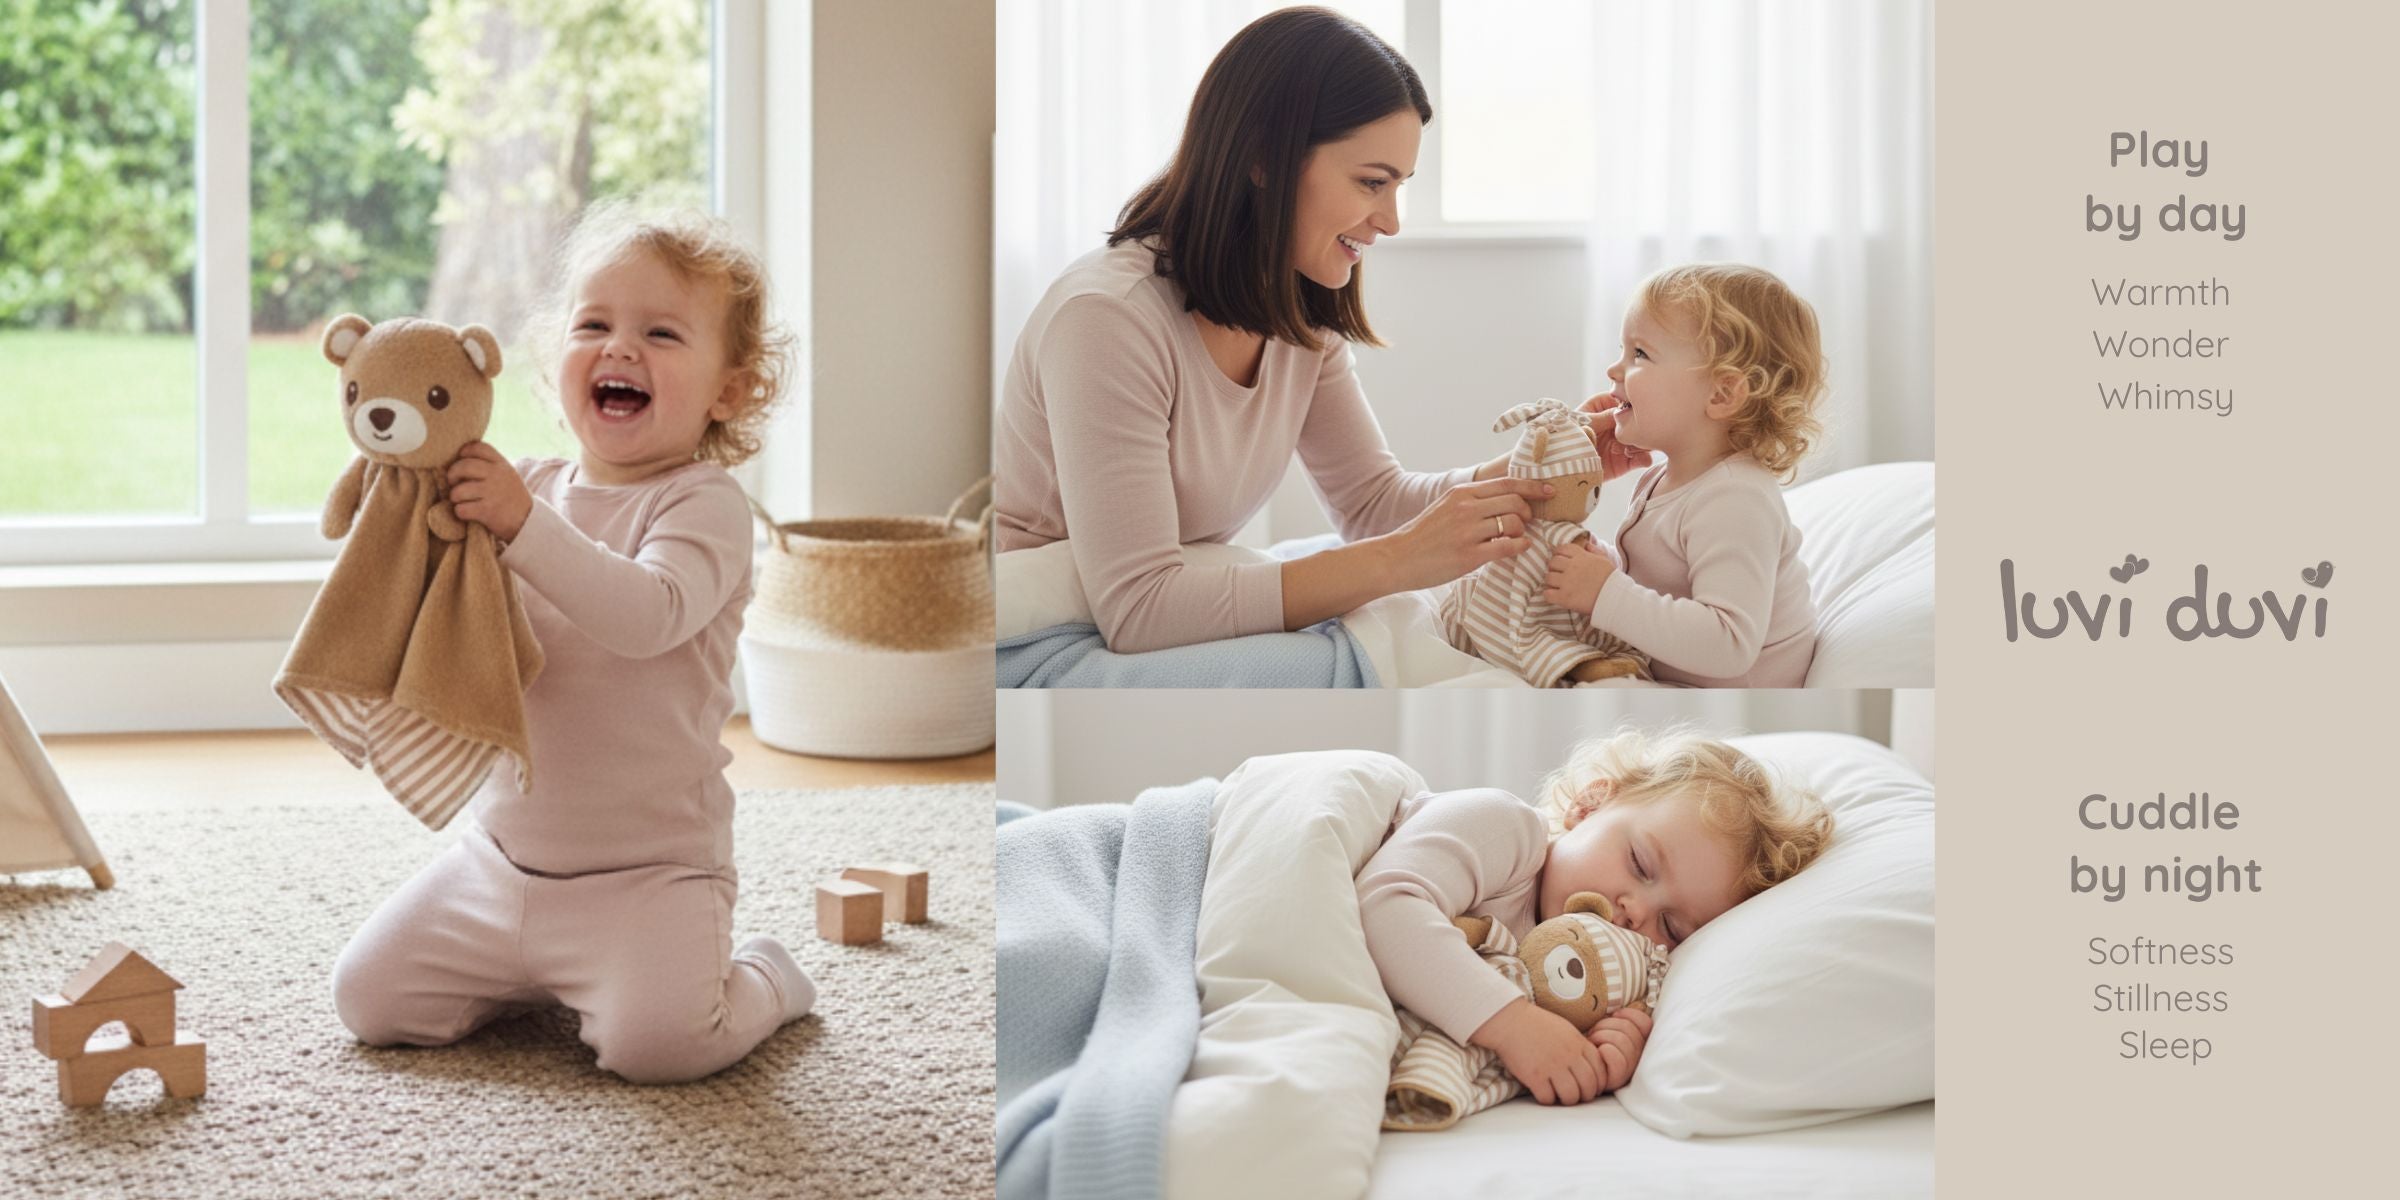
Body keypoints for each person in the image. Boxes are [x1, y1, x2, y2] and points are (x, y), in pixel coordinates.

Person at [994, 6, 1649, 656]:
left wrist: (1535, 469)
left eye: (1399, 187)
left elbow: (1373, 503)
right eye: (1371, 183)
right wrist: (1395, 561)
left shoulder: (1297, 315)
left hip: (1150, 610)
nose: (1390, 221)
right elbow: (1139, 609)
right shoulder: (1108, 320)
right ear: (1263, 159)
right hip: (1046, 631)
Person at [331, 203, 814, 1084]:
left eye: (661, 333)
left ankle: (767, 980)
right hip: (499, 863)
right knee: (367, 999)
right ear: (559, 357)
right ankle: (533, 976)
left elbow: (647, 615)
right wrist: (397, 513)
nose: (619, 349)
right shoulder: (522, 484)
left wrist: (522, 529)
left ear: (728, 391)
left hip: (651, 879)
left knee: (661, 1048)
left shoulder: (700, 505)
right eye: (593, 325)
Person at [1356, 729, 1834, 1105]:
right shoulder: (1506, 829)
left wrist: (1600, 1053)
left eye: (1671, 927)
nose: (1636, 912)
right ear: (1589, 806)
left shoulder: (1592, 977)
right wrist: (1513, 1027)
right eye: (1641, 865)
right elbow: (1384, 907)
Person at [1546, 264, 1827, 686]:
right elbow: (1665, 584)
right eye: (1622, 350)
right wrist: (1601, 564)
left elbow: (1728, 643)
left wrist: (1606, 592)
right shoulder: (1664, 477)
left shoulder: (1735, 498)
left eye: (1639, 354)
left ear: (1722, 393)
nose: (1613, 370)